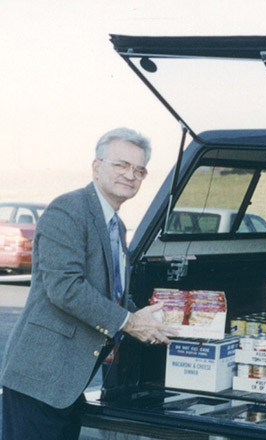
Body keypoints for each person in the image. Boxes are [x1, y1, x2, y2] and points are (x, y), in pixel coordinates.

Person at [1, 127, 177, 440]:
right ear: (96, 167)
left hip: (68, 385)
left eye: (139, 170)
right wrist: (128, 321)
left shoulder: (115, 224)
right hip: (40, 381)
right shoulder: (69, 209)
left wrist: (153, 320)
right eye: (120, 164)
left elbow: (112, 295)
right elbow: (66, 288)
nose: (130, 175)